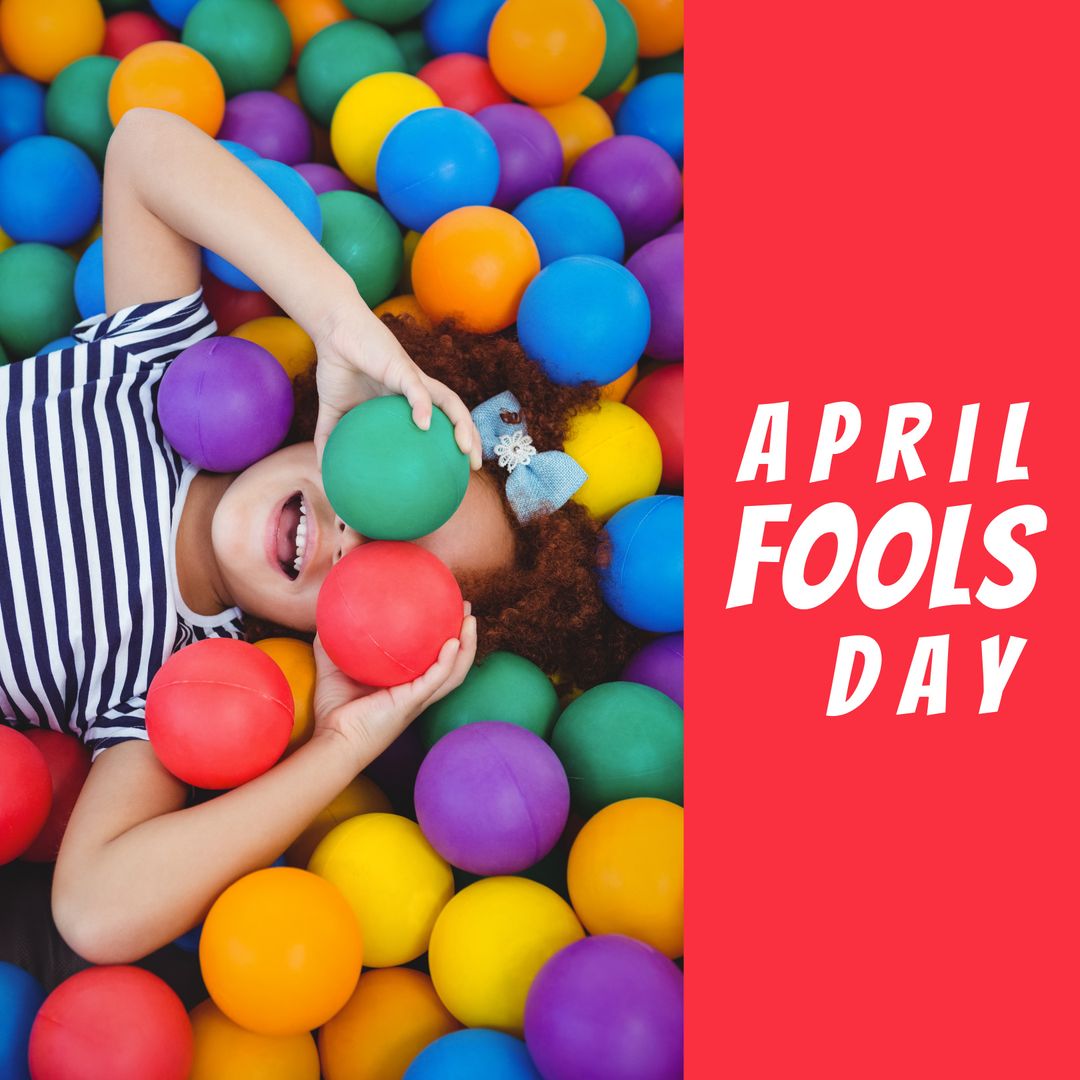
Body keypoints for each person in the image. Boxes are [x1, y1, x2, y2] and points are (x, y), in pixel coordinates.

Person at [0, 108, 635, 984]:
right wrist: (338, 320)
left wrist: (342, 747)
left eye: (392, 571)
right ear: (346, 420)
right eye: (389, 483)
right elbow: (146, 143)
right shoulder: (153, 370)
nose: (353, 531)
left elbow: (95, 910)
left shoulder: (172, 685)